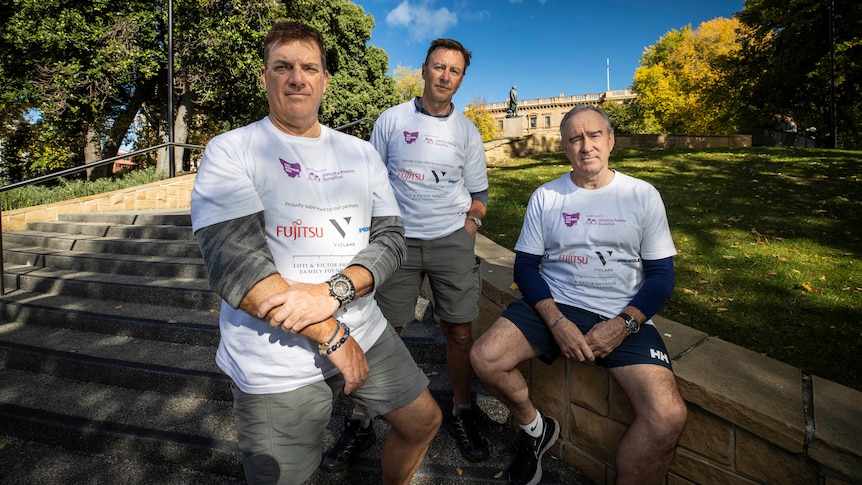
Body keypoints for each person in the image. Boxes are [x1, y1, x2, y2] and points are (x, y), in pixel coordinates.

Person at [190, 21, 441, 485]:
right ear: (264, 77)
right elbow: (237, 267)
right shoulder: (230, 151)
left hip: (365, 327)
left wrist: (334, 293)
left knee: (423, 421)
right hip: (276, 358)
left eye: (309, 67)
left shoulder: (361, 154)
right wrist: (332, 334)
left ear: (325, 79)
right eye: (282, 66)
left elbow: (390, 239)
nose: (296, 77)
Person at [470, 105, 688, 485]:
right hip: (556, 303)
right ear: (565, 147)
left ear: (611, 141)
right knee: (484, 358)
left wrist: (623, 325)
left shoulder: (642, 195)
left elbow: (661, 277)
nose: (586, 146)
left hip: (622, 312)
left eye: (594, 136)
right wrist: (556, 321)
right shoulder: (546, 196)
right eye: (575, 138)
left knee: (668, 416)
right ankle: (535, 430)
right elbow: (525, 268)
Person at [321, 37, 490, 471]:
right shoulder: (392, 120)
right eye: (438, 67)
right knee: (383, 329)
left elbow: (479, 194)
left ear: (461, 78)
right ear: (424, 69)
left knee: (459, 333)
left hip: (451, 239)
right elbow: (369, 183)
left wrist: (469, 230)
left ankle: (463, 410)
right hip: (397, 242)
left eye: (454, 71)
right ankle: (361, 418)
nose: (445, 76)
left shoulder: (467, 131)